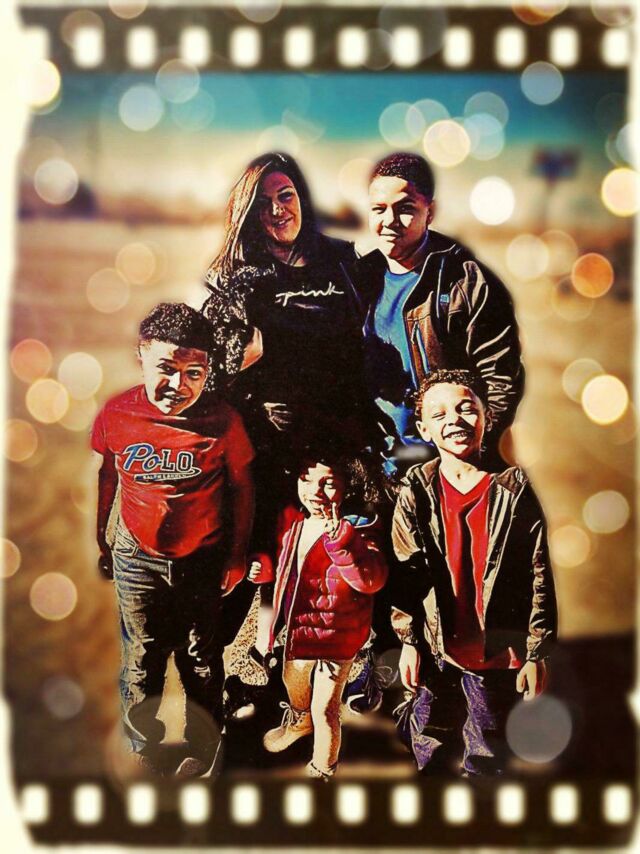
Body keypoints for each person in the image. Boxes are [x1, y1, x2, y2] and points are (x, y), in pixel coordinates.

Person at [201, 152, 373, 674]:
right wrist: (244, 354)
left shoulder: (340, 261)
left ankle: (304, 677)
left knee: (325, 562)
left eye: (286, 196)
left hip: (335, 444)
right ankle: (212, 672)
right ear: (248, 214)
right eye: (264, 203)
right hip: (267, 445)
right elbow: (211, 366)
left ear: (302, 198)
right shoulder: (238, 278)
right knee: (251, 561)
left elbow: (370, 338)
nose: (278, 210)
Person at [92, 302, 254, 778]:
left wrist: (237, 555)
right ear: (141, 357)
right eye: (166, 368)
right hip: (136, 555)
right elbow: (108, 474)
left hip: (202, 557)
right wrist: (103, 538)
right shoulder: (117, 413)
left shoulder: (222, 422)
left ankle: (203, 745)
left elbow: (243, 486)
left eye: (193, 373)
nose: (177, 385)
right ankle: (143, 742)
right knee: (142, 655)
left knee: (200, 655)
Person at [391, 369, 556, 775]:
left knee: (487, 744)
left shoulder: (516, 488)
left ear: (487, 416)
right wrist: (409, 641)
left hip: (496, 649)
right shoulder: (416, 489)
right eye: (439, 414)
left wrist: (536, 652)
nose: (454, 420)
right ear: (424, 429)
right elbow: (406, 573)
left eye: (466, 409)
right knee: (429, 734)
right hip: (437, 646)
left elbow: (540, 572)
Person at [345, 152, 525, 476]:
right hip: (380, 469)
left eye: (405, 208)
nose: (389, 221)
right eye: (379, 209)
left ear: (431, 212)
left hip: (445, 471)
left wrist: (466, 460)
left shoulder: (467, 283)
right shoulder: (359, 279)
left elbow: (500, 382)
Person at [249, 448, 388, 778]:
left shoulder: (359, 528)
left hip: (336, 638)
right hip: (299, 631)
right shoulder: (294, 521)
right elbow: (285, 569)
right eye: (306, 480)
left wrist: (343, 542)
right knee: (292, 679)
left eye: (328, 483)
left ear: (349, 486)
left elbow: (371, 580)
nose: (315, 491)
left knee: (325, 708)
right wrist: (264, 569)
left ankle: (322, 768)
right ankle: (300, 721)